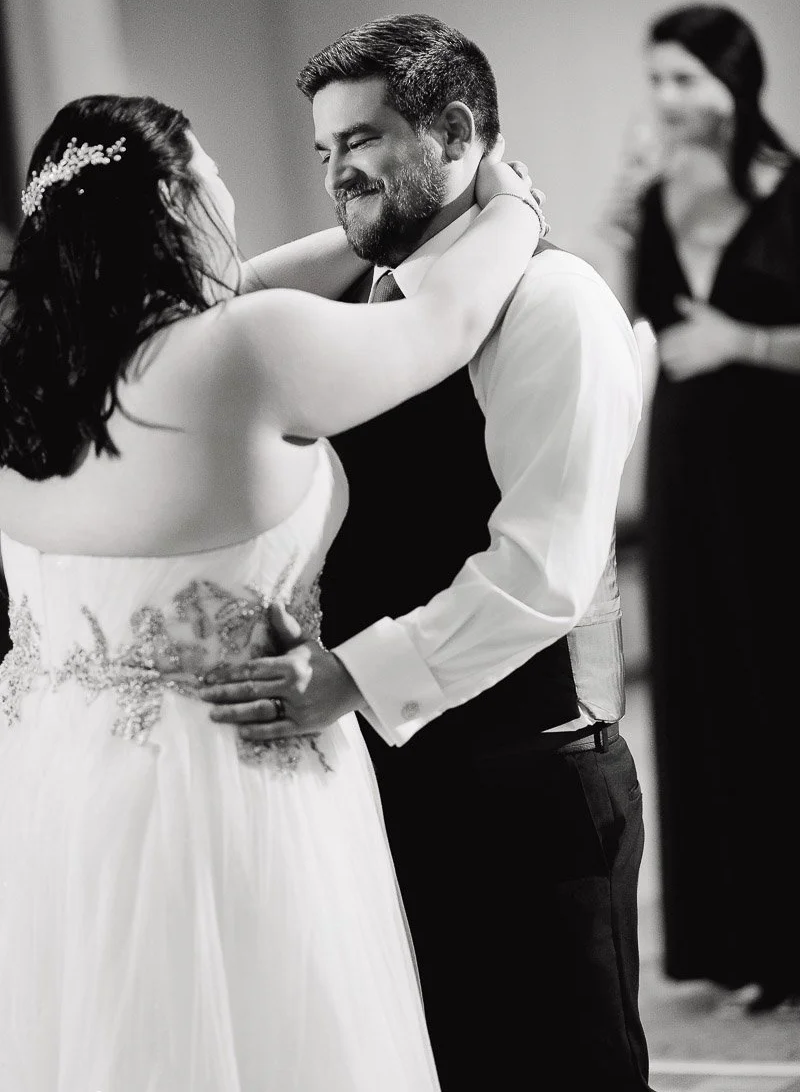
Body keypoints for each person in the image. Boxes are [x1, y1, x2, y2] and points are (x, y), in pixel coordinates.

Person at [0, 91, 547, 1089]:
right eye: (207, 167)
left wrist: (379, 228)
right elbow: (447, 318)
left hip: (59, 789)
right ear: (174, 194)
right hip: (232, 776)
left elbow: (240, 283)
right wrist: (507, 204)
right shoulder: (245, 351)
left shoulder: (39, 367)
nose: (226, 183)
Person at [201, 14, 649, 1091]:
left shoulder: (552, 303)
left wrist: (350, 677)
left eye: (360, 142)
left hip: (528, 782)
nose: (335, 174)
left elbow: (539, 569)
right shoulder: (366, 301)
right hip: (396, 774)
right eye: (321, 152)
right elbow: (216, 299)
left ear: (453, 132)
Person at [602, 2, 800, 1013]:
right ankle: (736, 938)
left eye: (685, 77)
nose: (668, 99)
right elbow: (634, 330)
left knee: (780, 682)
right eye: (656, 79)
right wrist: (621, 220)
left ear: (734, 81)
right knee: (706, 686)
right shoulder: (647, 194)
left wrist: (746, 343)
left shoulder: (789, 189)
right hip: (686, 469)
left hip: (777, 468)